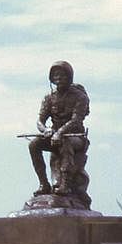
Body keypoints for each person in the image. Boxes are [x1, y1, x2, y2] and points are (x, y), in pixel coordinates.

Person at [29, 61, 90, 200]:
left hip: (75, 137)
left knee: (65, 142)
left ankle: (65, 185)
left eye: (62, 75)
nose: (59, 78)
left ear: (69, 77)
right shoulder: (49, 97)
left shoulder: (80, 97)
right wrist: (46, 130)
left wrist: (59, 132)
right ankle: (44, 184)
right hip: (53, 136)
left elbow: (76, 120)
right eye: (55, 75)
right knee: (34, 144)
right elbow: (40, 120)